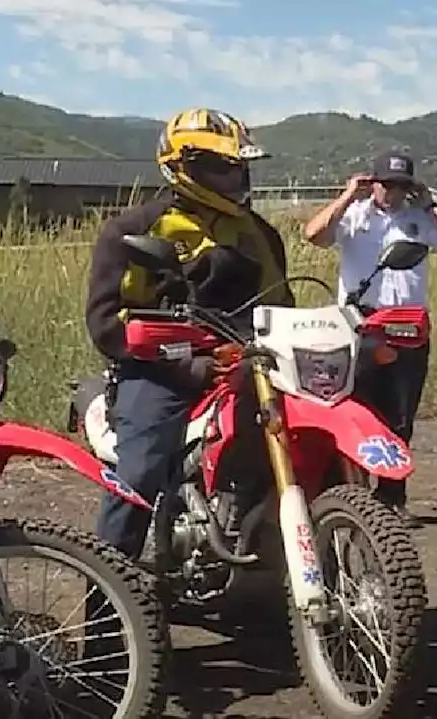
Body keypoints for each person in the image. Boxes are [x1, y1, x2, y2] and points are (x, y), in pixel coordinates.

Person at [84, 106, 292, 564]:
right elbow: (105, 323)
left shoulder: (260, 234)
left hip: (251, 368)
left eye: (238, 168)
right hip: (162, 372)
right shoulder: (134, 230)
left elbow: (284, 306)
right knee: (137, 474)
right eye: (220, 168)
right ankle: (105, 613)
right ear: (182, 168)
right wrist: (188, 363)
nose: (233, 179)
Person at [302, 151, 437, 527]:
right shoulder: (356, 214)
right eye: (386, 183)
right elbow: (313, 235)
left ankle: (392, 497)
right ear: (372, 181)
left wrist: (431, 207)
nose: (392, 192)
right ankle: (345, 493)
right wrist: (348, 195)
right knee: (351, 409)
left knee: (400, 416)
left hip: (407, 324)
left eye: (401, 185)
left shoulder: (418, 219)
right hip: (360, 321)